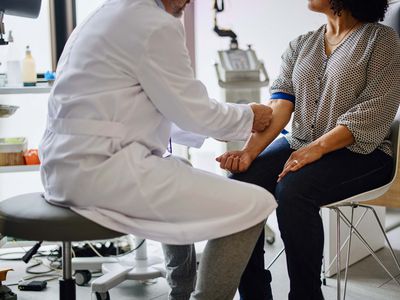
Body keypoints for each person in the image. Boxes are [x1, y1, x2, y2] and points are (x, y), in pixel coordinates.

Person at [39, 0, 278, 299]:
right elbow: (195, 112)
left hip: (65, 167)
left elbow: (160, 108)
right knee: (255, 204)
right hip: (101, 172)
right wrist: (250, 116)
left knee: (180, 167)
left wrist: (222, 127)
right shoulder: (155, 25)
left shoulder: (108, 13)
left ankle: (181, 292)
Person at [217, 0, 400, 299]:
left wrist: (317, 148)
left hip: (364, 151)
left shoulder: (381, 40)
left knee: (293, 191)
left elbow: (375, 109)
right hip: (300, 142)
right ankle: (254, 294)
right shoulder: (301, 45)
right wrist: (249, 153)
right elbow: (279, 106)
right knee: (240, 184)